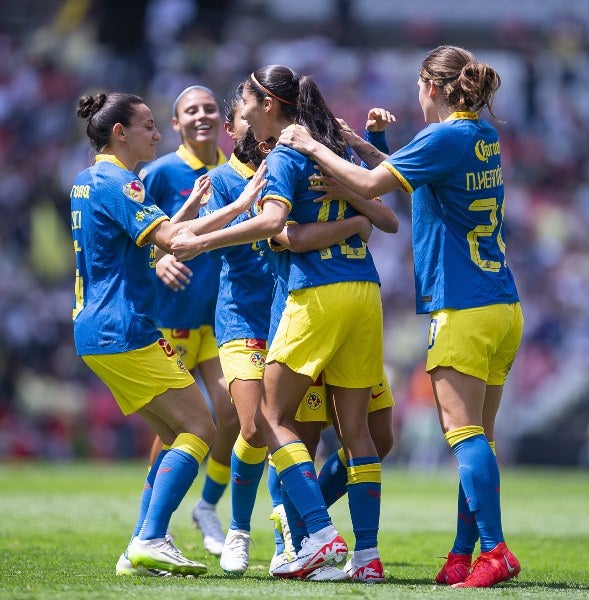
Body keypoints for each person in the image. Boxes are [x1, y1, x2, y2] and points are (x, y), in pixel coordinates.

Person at [278, 45, 524, 588]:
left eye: (418, 86)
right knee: (478, 436)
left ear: (430, 87)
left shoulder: (445, 138)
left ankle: (496, 550)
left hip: (462, 307)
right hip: (503, 306)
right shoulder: (482, 135)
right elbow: (405, 174)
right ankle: (463, 555)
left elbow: (369, 187)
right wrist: (358, 143)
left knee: (464, 436)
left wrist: (311, 145)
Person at [171, 65, 389, 581]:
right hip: (356, 294)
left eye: (244, 98)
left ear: (266, 104)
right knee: (312, 428)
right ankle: (355, 552)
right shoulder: (319, 147)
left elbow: (277, 229)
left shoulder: (291, 153)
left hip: (308, 302)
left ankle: (312, 535)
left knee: (270, 420)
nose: (238, 112)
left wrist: (196, 242)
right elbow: (386, 216)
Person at [70, 92, 265, 577]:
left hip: (94, 328)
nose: (157, 134)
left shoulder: (86, 180)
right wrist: (241, 203)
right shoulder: (122, 181)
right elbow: (175, 245)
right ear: (120, 133)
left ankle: (136, 549)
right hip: (126, 327)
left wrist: (190, 208)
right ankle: (154, 537)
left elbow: (143, 248)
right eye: (148, 126)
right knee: (202, 429)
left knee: (174, 435)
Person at [138, 85, 239, 557]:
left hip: (221, 319)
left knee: (236, 414)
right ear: (175, 124)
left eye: (209, 108)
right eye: (190, 110)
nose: (202, 116)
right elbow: (132, 241)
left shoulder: (235, 173)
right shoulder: (159, 173)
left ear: (223, 118)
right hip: (171, 320)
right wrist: (157, 261)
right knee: (173, 431)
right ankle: (149, 526)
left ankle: (207, 507)